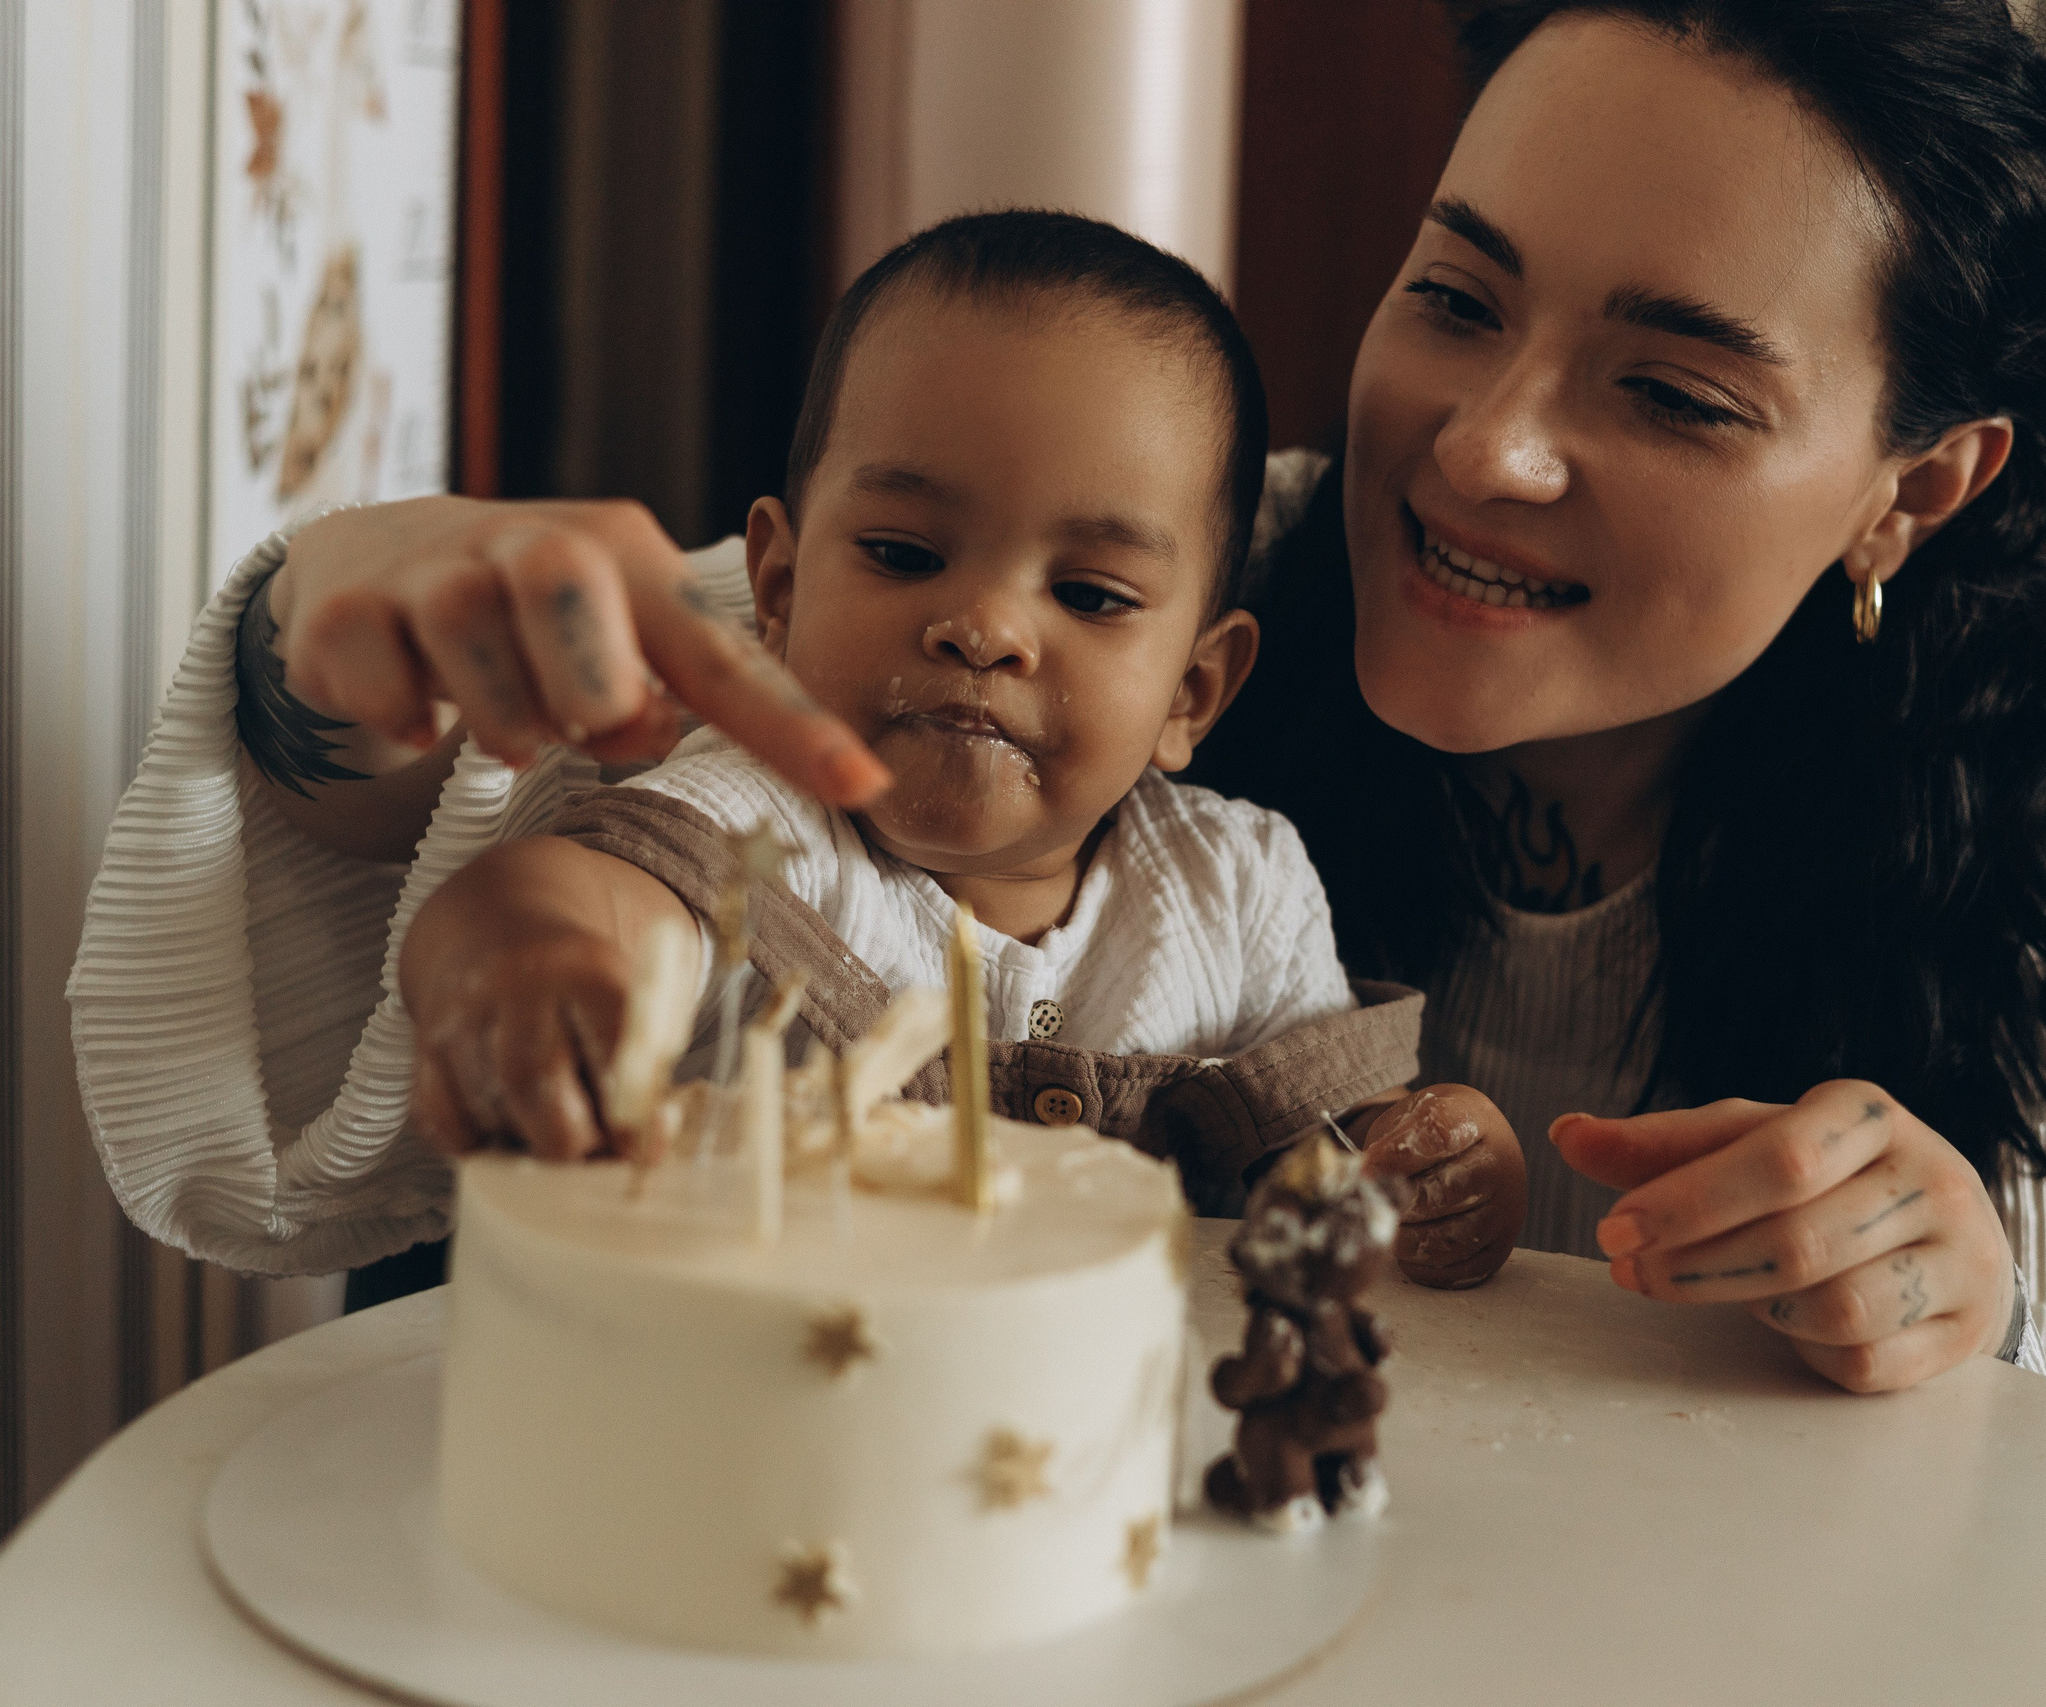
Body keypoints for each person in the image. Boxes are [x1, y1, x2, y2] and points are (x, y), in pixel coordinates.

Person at [71, 0, 2046, 1414]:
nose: (1478, 452)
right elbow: (565, 743)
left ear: (1910, 489)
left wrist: (1965, 1304)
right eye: (1453, 298)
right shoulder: (1111, 587)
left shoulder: (2030, 862)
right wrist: (322, 659)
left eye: (1665, 390)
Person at [395, 208, 1528, 1273]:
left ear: (1191, 691)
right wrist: (524, 950)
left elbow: (1321, 1161)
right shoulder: (762, 828)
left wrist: (1423, 1159)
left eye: (1087, 593)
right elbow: (584, 898)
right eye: (901, 554)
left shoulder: (1237, 890)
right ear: (778, 592)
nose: (983, 629)